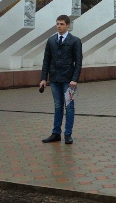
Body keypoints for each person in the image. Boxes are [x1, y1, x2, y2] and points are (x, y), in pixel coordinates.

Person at [40, 15, 83, 144]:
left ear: (68, 25)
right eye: (57, 24)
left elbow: (78, 62)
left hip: (69, 81)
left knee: (69, 107)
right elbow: (46, 60)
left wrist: (74, 79)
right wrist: (43, 78)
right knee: (58, 106)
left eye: (62, 24)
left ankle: (68, 134)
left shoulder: (75, 41)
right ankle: (56, 133)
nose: (59, 26)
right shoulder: (51, 40)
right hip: (54, 79)